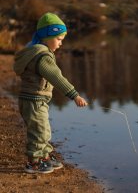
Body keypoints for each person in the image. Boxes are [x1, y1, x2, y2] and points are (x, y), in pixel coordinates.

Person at [14, 12, 88, 174]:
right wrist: (74, 95)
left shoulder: (32, 51)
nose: (61, 43)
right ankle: (33, 162)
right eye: (59, 39)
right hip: (34, 100)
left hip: (33, 99)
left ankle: (44, 156)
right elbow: (56, 77)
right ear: (47, 36)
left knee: (43, 128)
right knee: (39, 130)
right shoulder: (42, 56)